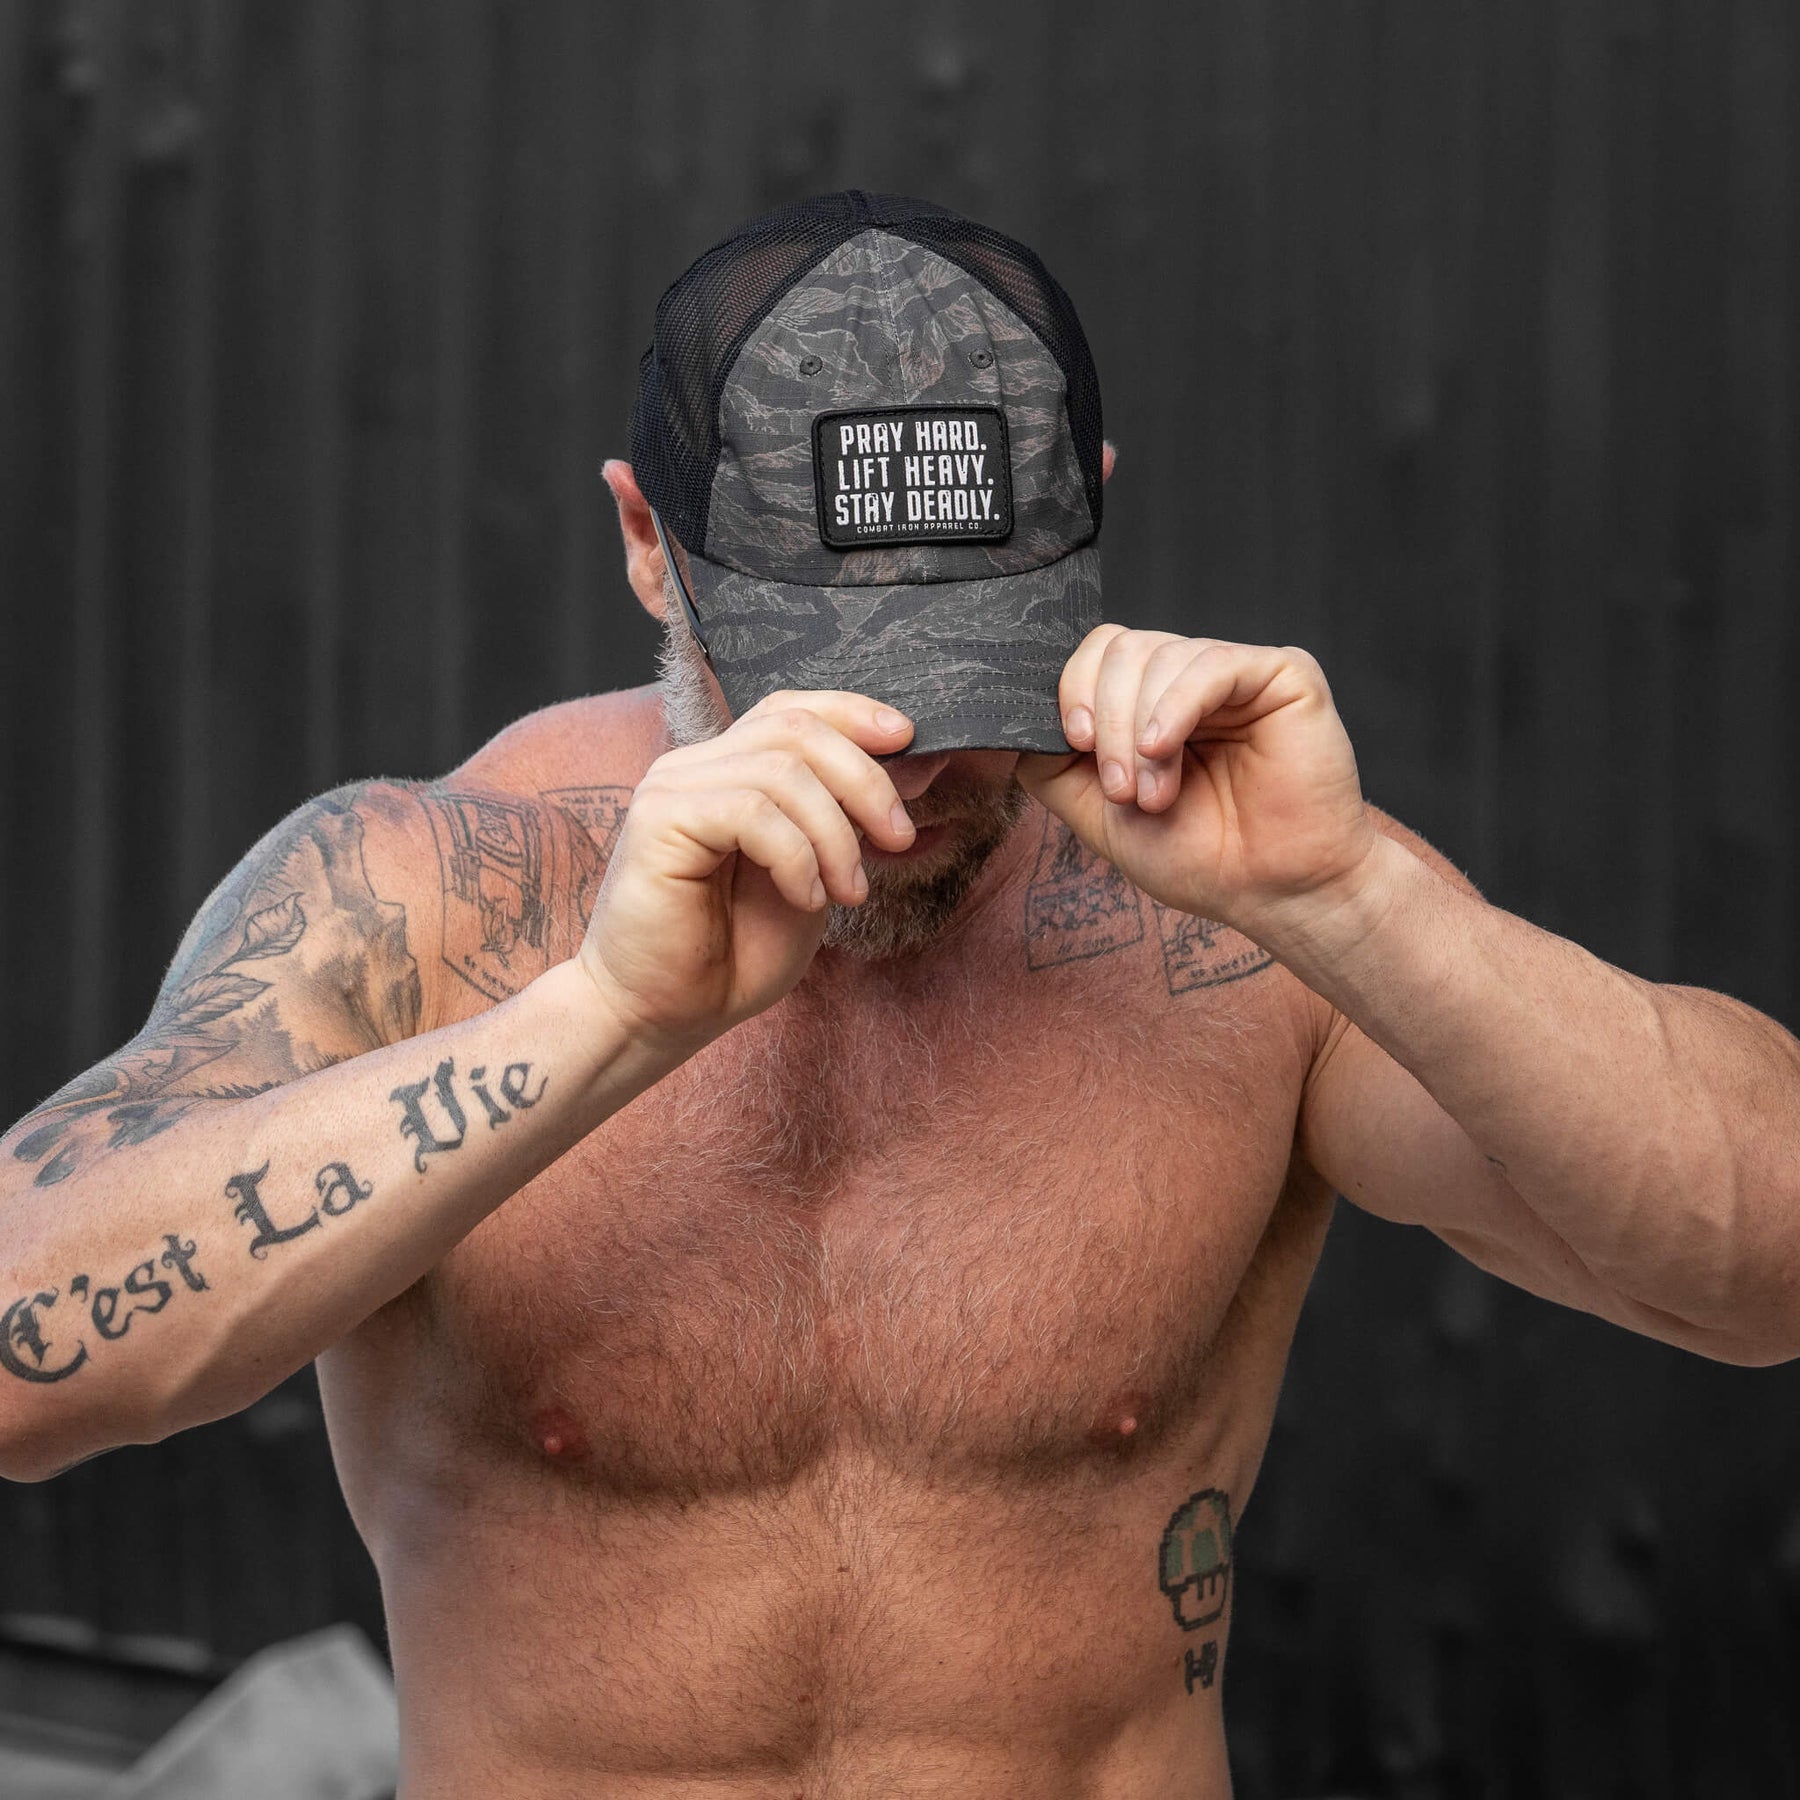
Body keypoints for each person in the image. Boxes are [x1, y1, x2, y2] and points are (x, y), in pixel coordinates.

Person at [2, 189, 1796, 1798]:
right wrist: (600, 1022)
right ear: (648, 544)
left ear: (1090, 525)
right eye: (829, 670)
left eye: (970, 665)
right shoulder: (431, 896)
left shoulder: (1244, 922)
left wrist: (1350, 896)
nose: (913, 764)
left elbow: (1762, 1265)